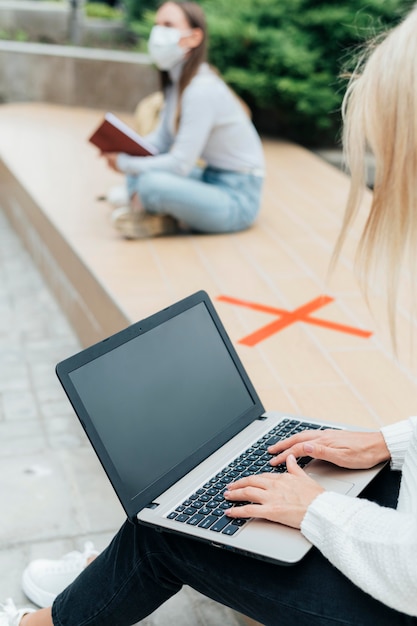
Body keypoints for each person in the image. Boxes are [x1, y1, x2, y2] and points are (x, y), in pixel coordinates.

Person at [2, 4, 417, 626]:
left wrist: (316, 510)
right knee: (267, 469)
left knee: (169, 528)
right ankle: (104, 576)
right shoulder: (179, 88)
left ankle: (57, 614)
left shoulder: (204, 90)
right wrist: (389, 442)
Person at [103, 1, 265, 240]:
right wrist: (126, 148)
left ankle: (148, 206)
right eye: (157, 25)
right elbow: (162, 139)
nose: (158, 33)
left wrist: (126, 163)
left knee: (149, 183)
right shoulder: (179, 83)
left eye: (168, 25)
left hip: (237, 199)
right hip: (211, 179)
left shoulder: (201, 89)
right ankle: (154, 210)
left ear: (194, 37)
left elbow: (181, 164)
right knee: (141, 172)